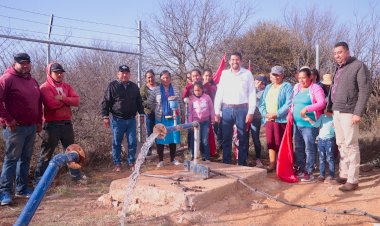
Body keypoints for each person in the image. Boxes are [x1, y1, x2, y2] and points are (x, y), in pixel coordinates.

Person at [328, 41, 371, 191]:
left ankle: (353, 180)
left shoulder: (358, 65)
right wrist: (331, 109)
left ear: (347, 52)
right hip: (337, 111)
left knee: (351, 145)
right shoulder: (339, 69)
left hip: (350, 111)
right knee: (341, 144)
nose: (337, 56)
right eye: (335, 53)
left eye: (339, 52)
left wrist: (357, 112)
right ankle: (345, 174)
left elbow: (365, 90)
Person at [0, 53, 42, 206]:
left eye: (27, 63)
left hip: (31, 127)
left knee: (25, 159)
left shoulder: (32, 80)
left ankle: (22, 188)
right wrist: (7, 119)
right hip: (15, 128)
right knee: (11, 159)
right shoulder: (7, 79)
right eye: (22, 63)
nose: (25, 65)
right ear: (15, 63)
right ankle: (5, 192)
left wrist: (39, 121)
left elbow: (38, 103)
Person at [33, 63, 86, 185]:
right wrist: (68, 101)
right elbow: (51, 105)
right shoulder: (45, 87)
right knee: (47, 152)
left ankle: (76, 176)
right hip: (52, 125)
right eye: (56, 72)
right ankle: (39, 179)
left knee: (72, 151)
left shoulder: (66, 86)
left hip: (67, 123)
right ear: (49, 73)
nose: (59, 74)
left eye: (61, 72)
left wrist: (62, 98)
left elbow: (76, 101)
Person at [214, 52, 256, 166]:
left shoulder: (247, 74)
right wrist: (217, 111)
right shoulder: (224, 74)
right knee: (226, 138)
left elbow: (252, 93)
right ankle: (226, 163)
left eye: (237, 59)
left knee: (242, 137)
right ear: (229, 61)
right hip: (226, 109)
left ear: (241, 61)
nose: (234, 61)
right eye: (232, 59)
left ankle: (242, 163)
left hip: (242, 109)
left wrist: (251, 112)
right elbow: (219, 93)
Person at [101, 65, 144, 172]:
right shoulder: (112, 86)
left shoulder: (134, 87)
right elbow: (106, 101)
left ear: (129, 74)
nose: (124, 75)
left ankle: (131, 162)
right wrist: (105, 116)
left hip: (131, 120)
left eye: (126, 73)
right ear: (118, 74)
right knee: (116, 142)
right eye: (122, 73)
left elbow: (139, 102)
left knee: (132, 142)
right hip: (117, 119)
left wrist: (142, 114)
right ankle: (117, 163)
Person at [292, 67, 326, 182]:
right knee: (299, 147)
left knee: (309, 148)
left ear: (310, 77)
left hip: (310, 125)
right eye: (299, 78)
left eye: (304, 78)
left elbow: (322, 103)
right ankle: (300, 168)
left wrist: (308, 108)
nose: (301, 80)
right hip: (297, 124)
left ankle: (309, 171)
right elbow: (293, 103)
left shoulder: (315, 88)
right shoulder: (296, 88)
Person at [147, 70, 184, 168]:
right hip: (161, 118)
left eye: (167, 77)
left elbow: (180, 103)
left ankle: (173, 159)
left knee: (173, 138)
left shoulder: (175, 89)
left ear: (170, 79)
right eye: (163, 78)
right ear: (160, 79)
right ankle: (161, 160)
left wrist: (182, 114)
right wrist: (157, 110)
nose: (166, 80)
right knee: (160, 139)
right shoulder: (156, 90)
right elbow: (150, 102)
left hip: (174, 118)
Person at [259, 66, 293, 172]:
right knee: (270, 142)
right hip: (269, 119)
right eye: (274, 74)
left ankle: (281, 164)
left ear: (282, 75)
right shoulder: (268, 87)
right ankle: (272, 163)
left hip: (280, 120)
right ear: (270, 75)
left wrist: (276, 114)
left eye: (278, 75)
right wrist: (265, 114)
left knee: (280, 143)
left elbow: (289, 103)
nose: (276, 77)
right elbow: (261, 103)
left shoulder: (287, 86)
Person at [304, 110, 335, 182]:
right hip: (321, 140)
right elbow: (316, 125)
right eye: (325, 110)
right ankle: (321, 175)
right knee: (321, 158)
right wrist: (309, 119)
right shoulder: (322, 117)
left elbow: (336, 130)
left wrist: (335, 125)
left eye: (328, 111)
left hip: (329, 140)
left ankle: (331, 175)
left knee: (330, 158)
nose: (326, 112)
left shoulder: (335, 118)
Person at [188, 81, 215, 161]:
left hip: (205, 122)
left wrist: (212, 118)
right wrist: (190, 124)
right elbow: (189, 112)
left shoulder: (207, 97)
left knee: (205, 140)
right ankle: (193, 156)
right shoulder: (191, 99)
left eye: (199, 90)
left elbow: (211, 109)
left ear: (202, 89)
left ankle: (206, 157)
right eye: (195, 90)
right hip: (195, 123)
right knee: (195, 140)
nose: (197, 92)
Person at [250, 75, 268, 168]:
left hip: (256, 117)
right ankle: (243, 157)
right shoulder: (249, 89)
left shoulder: (264, 92)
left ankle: (258, 158)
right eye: (257, 81)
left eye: (262, 82)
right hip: (245, 116)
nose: (259, 84)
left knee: (255, 137)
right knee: (242, 138)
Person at [140, 69, 158, 156]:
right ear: (146, 78)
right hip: (149, 112)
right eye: (148, 77)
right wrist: (151, 102)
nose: (151, 79)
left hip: (159, 112)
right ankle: (149, 149)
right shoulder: (143, 89)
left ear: (154, 76)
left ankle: (160, 148)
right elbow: (142, 101)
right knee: (150, 131)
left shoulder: (159, 86)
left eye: (152, 77)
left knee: (160, 130)